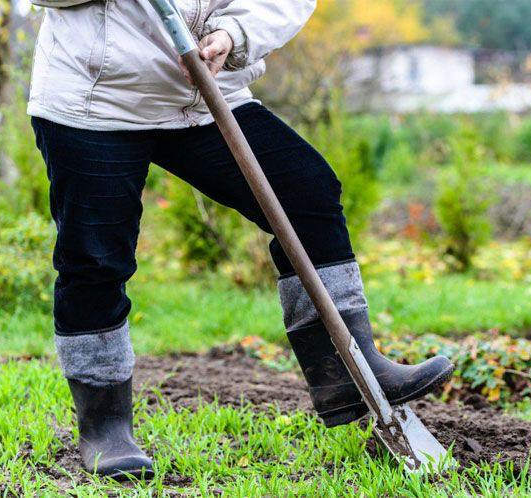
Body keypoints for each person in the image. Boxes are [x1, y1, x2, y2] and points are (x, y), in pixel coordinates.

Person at [28, 0, 454, 479]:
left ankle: (347, 368)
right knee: (96, 257)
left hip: (206, 92)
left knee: (304, 191)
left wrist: (235, 34)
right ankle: (105, 427)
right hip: (97, 102)